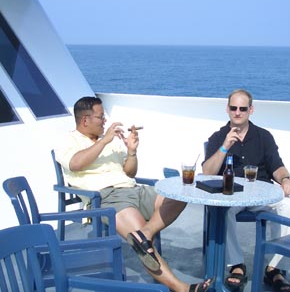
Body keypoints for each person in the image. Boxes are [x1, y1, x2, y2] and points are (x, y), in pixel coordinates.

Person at [55, 96, 214, 292]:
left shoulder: (111, 142)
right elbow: (76, 163)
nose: (105, 121)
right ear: (85, 120)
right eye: (101, 117)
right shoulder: (67, 140)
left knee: (181, 195)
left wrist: (131, 151)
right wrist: (104, 141)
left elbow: (130, 172)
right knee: (142, 244)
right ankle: (182, 288)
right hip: (107, 197)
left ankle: (145, 234)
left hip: (134, 188)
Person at [202, 89, 290, 292]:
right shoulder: (218, 137)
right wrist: (224, 147)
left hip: (261, 194)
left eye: (242, 109)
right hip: (232, 194)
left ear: (251, 110)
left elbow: (277, 165)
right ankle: (237, 265)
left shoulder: (263, 136)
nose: (238, 113)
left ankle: (274, 268)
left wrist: (286, 179)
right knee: (221, 210)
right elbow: (207, 172)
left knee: (289, 206)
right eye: (234, 108)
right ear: (227, 109)